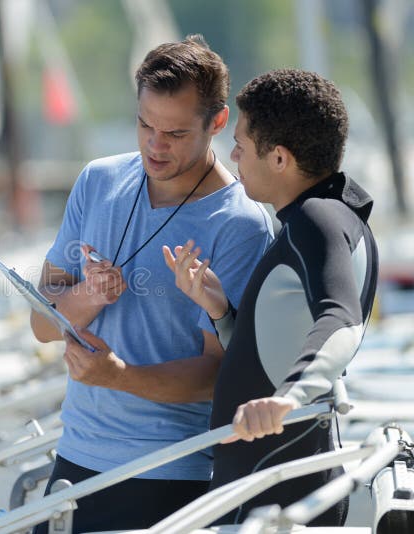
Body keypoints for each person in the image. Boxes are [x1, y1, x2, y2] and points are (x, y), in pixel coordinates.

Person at [31, 35, 274, 532]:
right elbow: (41, 322)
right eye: (145, 124)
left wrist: (118, 376)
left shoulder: (241, 226)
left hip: (171, 474)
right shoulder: (97, 181)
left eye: (176, 133)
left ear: (218, 123)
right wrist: (86, 296)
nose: (155, 145)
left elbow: (219, 375)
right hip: (75, 457)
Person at [163, 69, 378, 525]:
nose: (233, 153)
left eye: (241, 143)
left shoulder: (317, 222)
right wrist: (219, 309)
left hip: (272, 498)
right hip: (269, 485)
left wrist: (290, 398)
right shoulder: (332, 217)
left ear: (279, 158)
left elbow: (342, 318)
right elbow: (275, 348)